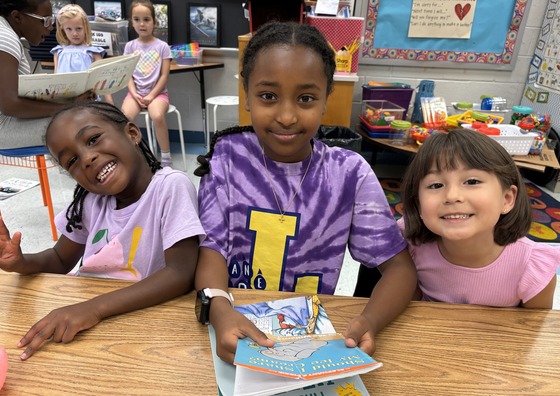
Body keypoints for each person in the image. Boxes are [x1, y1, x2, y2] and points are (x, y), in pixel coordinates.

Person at [193, 21, 417, 363]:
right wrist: (218, 309)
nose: (286, 116)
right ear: (247, 94)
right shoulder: (227, 158)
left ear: (327, 98)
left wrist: (370, 321)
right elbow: (211, 250)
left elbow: (400, 269)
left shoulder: (349, 173)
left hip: (310, 341)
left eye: (306, 98)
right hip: (232, 322)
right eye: (268, 96)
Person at [0, 101, 204, 360]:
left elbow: (181, 273)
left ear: (131, 133)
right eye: (72, 160)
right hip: (87, 317)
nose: (86, 158)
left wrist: (93, 309)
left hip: (139, 324)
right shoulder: (90, 202)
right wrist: (19, 262)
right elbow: (60, 259)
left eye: (93, 139)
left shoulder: (170, 187)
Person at [400, 128, 559, 308]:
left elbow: (535, 331)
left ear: (507, 199)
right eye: (436, 185)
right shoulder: (408, 242)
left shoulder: (531, 266)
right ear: (418, 203)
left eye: (472, 181)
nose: (452, 196)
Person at [0, 0, 95, 150]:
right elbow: (10, 104)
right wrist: (70, 106)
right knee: (83, 123)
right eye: (46, 20)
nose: (51, 27)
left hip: (10, 119)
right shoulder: (5, 38)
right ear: (17, 17)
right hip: (4, 126)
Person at [121, 0, 173, 168]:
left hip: (157, 94)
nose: (142, 24)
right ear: (131, 22)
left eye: (146, 19)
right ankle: (134, 156)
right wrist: (135, 93)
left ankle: (166, 158)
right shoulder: (129, 46)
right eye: (137, 19)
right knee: (123, 118)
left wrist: (151, 96)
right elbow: (127, 75)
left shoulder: (162, 46)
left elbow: (164, 75)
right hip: (135, 93)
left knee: (157, 116)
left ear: (154, 22)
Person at [51, 4, 113, 104]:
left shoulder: (93, 51)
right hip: (65, 100)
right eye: (69, 29)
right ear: (63, 29)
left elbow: (103, 76)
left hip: (88, 99)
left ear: (85, 27)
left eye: (78, 28)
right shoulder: (58, 52)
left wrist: (109, 100)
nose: (74, 33)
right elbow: (55, 76)